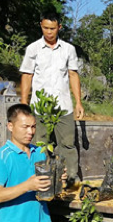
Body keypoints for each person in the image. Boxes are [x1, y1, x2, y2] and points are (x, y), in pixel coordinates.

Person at [20, 11, 83, 188]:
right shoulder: (33, 49)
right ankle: (44, 181)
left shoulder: (68, 49)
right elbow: (27, 75)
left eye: (53, 28)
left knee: (68, 144)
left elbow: (73, 74)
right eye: (46, 28)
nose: (49, 32)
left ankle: (71, 179)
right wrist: (24, 103)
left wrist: (78, 102)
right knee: (41, 145)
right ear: (41, 26)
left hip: (63, 107)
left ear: (59, 28)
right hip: (40, 108)